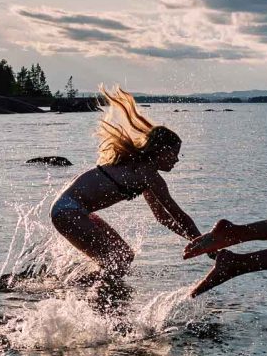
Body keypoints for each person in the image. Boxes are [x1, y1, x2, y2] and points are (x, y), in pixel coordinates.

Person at [50, 85, 203, 295]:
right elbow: (179, 216)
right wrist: (205, 244)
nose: (177, 159)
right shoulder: (148, 175)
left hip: (72, 210)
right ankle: (79, 295)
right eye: (174, 154)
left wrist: (194, 241)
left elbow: (163, 218)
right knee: (116, 262)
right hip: (68, 211)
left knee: (124, 256)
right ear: (160, 151)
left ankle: (72, 288)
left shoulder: (146, 175)